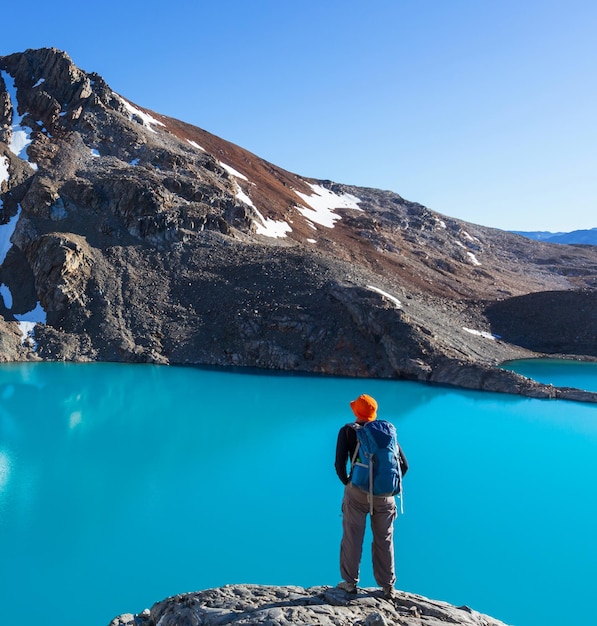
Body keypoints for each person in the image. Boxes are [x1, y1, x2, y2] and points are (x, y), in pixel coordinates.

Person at [335, 393, 408, 598]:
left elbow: (339, 465)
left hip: (358, 494)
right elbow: (405, 466)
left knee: (352, 537)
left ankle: (350, 583)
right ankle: (387, 586)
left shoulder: (349, 431)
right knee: (384, 539)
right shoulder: (387, 433)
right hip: (386, 497)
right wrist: (386, 485)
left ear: (356, 411)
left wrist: (349, 483)